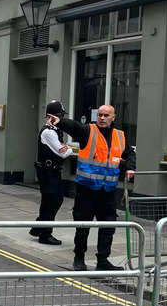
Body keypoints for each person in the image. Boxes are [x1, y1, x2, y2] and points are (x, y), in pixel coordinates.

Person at [49, 104, 135, 271]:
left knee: (108, 226)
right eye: (100, 115)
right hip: (86, 189)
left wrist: (131, 167)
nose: (102, 118)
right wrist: (60, 122)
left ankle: (103, 260)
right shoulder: (88, 131)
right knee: (82, 226)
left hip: (108, 191)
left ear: (113, 118)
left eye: (106, 115)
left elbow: (130, 153)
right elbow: (74, 127)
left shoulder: (120, 136)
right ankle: (79, 258)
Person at [31, 101, 74, 246]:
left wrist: (65, 148)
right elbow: (63, 153)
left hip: (51, 170)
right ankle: (45, 234)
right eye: (61, 115)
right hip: (47, 171)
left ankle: (39, 227)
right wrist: (68, 149)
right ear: (53, 116)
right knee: (52, 201)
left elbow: (62, 149)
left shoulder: (54, 130)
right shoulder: (49, 132)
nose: (62, 118)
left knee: (50, 200)